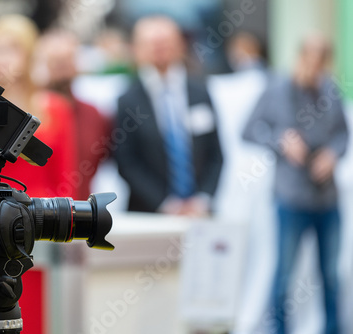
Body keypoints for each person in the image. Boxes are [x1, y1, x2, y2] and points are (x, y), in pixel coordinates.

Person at [243, 34, 348, 334]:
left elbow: (342, 134)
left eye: (322, 58)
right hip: (291, 196)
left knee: (330, 273)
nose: (315, 64)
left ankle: (332, 328)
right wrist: (280, 140)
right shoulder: (277, 90)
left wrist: (332, 154)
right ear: (301, 55)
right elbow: (249, 129)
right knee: (284, 274)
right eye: (310, 56)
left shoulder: (330, 90)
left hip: (327, 197)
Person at [114, 16, 223, 215]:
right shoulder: (127, 100)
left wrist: (203, 200)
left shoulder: (200, 92)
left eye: (165, 42)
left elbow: (216, 154)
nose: (159, 48)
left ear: (181, 45)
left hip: (200, 213)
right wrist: (165, 204)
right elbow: (126, 161)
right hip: (149, 214)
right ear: (136, 49)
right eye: (152, 43)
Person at [0, 15, 79, 198]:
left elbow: (67, 178)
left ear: (29, 53)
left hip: (43, 214)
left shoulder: (55, 108)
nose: (1, 58)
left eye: (11, 49)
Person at [32, 29, 112, 199]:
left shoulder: (93, 116)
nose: (62, 68)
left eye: (67, 60)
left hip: (81, 209)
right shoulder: (29, 115)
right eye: (54, 61)